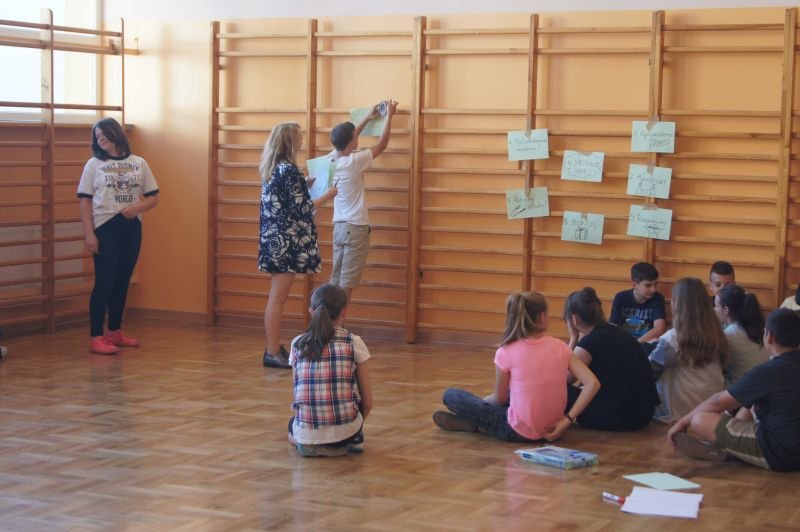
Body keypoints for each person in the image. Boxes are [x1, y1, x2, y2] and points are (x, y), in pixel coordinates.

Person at [432, 291, 600, 442]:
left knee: (451, 395)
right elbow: (592, 383)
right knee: (514, 393)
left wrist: (480, 404)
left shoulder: (505, 351)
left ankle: (474, 422)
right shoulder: (560, 347)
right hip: (554, 429)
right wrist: (567, 420)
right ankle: (474, 422)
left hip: (517, 431)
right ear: (542, 317)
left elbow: (499, 399)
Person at [667, 308, 800, 472]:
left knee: (699, 419)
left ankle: (728, 451)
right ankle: (731, 447)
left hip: (782, 453)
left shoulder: (768, 371)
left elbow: (718, 402)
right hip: (790, 443)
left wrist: (682, 422)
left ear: (769, 336)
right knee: (750, 402)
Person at [258, 122, 337, 369]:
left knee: (276, 297)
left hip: (274, 240)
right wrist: (328, 195)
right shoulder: (289, 170)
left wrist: (305, 184)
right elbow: (303, 208)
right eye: (299, 137)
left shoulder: (274, 168)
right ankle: (272, 351)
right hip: (286, 242)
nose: (302, 141)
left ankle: (273, 347)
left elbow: (285, 200)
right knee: (277, 297)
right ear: (290, 142)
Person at [77, 118, 159, 355]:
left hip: (131, 227)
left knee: (122, 280)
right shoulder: (94, 165)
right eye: (97, 136)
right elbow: (85, 201)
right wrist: (89, 233)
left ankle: (115, 331)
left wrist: (137, 208)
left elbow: (153, 197)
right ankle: (96, 336)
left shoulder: (139, 163)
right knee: (105, 281)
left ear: (115, 133)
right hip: (105, 227)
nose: (100, 139)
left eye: (103, 134)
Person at [288, 284, 373, 457]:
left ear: (311, 311)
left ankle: (305, 443)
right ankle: (351, 440)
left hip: (308, 430)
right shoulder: (354, 342)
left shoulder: (297, 343)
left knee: (292, 425)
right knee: (353, 400)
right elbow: (368, 403)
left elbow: (298, 395)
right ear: (344, 312)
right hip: (347, 430)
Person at [329, 100, 398, 301]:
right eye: (355, 138)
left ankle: (328, 319)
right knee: (347, 284)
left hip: (339, 227)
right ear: (351, 142)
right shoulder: (353, 162)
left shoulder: (331, 159)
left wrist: (368, 116)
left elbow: (348, 140)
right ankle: (339, 320)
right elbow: (381, 145)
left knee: (335, 281)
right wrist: (389, 116)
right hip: (355, 228)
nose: (357, 140)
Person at [564, 287, 660, 431]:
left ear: (574, 319)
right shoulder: (617, 331)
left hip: (618, 417)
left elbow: (564, 379)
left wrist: (573, 338)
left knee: (557, 389)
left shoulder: (589, 343)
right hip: (644, 415)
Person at [649, 277, 728, 423]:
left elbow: (649, 371)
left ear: (677, 304)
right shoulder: (718, 332)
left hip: (679, 411)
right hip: (710, 408)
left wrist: (655, 347)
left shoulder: (673, 338)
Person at [714, 284, 768, 387]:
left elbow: (716, 366)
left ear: (726, 310)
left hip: (740, 390)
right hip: (763, 386)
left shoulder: (728, 335)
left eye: (716, 306)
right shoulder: (758, 328)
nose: (714, 309)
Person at [609, 262, 667, 344]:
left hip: (645, 343)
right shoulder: (621, 297)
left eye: (655, 284)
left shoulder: (657, 298)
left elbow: (659, 329)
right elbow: (612, 326)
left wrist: (635, 344)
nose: (653, 289)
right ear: (634, 285)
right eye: (648, 285)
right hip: (623, 343)